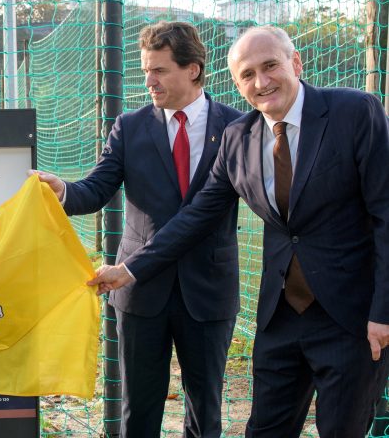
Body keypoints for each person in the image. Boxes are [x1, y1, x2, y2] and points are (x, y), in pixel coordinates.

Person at [90, 26, 389, 437]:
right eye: (247, 75)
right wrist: (130, 270)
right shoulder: (238, 138)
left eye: (270, 67)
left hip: (349, 319)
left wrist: (383, 312)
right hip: (279, 318)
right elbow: (196, 216)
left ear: (295, 63)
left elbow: (385, 214)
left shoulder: (355, 111)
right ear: (236, 83)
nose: (261, 82)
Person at [36, 21, 242, 437]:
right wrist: (64, 191)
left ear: (194, 69)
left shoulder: (237, 127)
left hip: (208, 287)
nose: (149, 81)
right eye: (145, 70)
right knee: (140, 408)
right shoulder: (130, 127)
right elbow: (96, 189)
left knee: (206, 409)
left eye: (160, 70)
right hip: (141, 292)